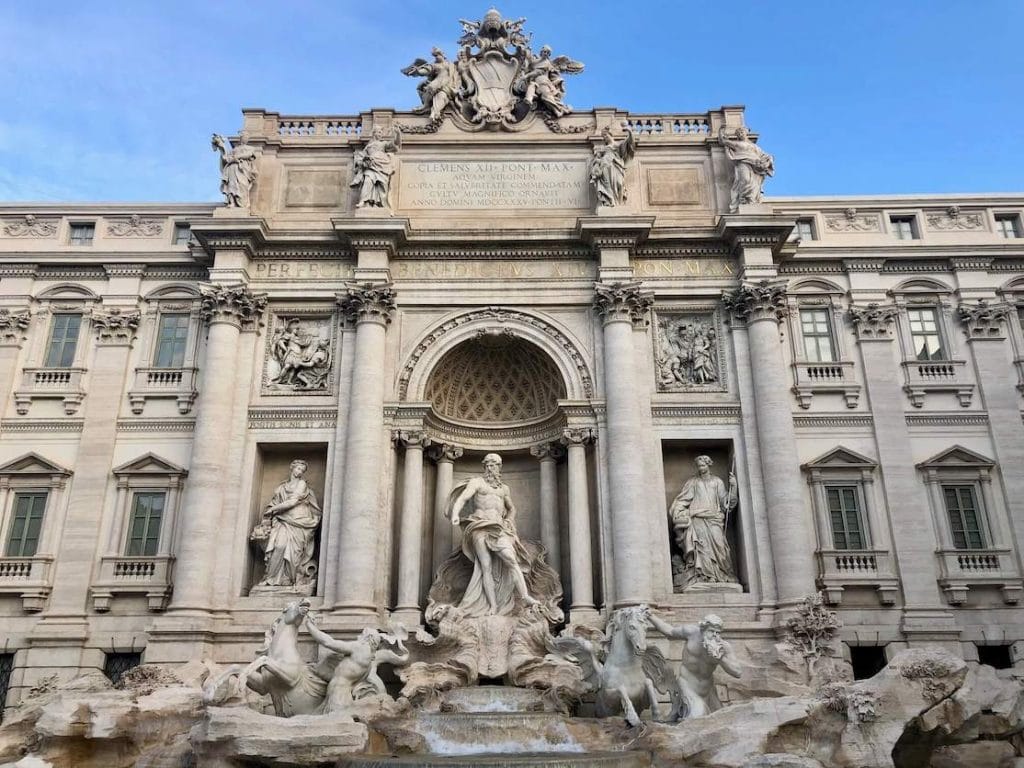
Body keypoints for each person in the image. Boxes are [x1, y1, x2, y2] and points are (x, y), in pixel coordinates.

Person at [446, 453, 539, 616]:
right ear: (484, 467)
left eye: (494, 465)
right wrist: (455, 514)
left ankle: (525, 596)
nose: (490, 468)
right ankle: (493, 606)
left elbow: (512, 508)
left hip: (498, 527)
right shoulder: (477, 483)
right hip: (479, 525)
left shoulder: (504, 489)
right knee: (485, 566)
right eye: (487, 465)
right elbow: (462, 498)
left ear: (499, 467)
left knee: (511, 559)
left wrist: (509, 520)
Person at [647, 612, 741, 718]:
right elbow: (669, 631)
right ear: (703, 629)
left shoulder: (723, 647)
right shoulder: (691, 633)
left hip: (708, 691)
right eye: (711, 631)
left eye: (718, 632)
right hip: (687, 685)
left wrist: (720, 659)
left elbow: (737, 672)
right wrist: (650, 616)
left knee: (720, 719)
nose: (715, 636)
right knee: (698, 716)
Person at [669, 455, 738, 587]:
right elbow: (683, 500)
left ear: (708, 465)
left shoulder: (717, 482)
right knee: (702, 548)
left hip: (714, 518)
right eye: (699, 466)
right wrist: (678, 512)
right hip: (698, 519)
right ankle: (705, 576)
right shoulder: (693, 482)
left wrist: (733, 488)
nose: (701, 468)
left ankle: (722, 575)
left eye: (703, 465)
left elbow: (725, 503)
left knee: (720, 547)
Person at [257, 460, 321, 588]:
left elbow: (292, 502)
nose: (300, 472)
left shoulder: (302, 484)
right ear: (292, 468)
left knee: (294, 552)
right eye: (298, 469)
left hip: (298, 521)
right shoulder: (282, 487)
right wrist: (270, 512)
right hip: (282, 520)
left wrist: (273, 510)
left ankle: (288, 579)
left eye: (302, 471)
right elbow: (274, 502)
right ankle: (271, 578)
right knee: (279, 546)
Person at [718, 125, 774, 212]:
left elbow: (765, 156)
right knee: (745, 180)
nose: (740, 134)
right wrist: (721, 131)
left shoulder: (755, 147)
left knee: (754, 185)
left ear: (746, 133)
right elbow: (723, 141)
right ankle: (744, 200)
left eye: (742, 132)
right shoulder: (737, 144)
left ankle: (751, 201)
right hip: (743, 163)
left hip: (755, 166)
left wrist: (768, 160)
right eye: (738, 133)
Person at [351, 127, 400, 208]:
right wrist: (363, 162)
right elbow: (360, 157)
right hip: (371, 166)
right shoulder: (368, 147)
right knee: (368, 181)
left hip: (382, 166)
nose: (381, 134)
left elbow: (395, 144)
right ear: (374, 133)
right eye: (379, 132)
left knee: (383, 185)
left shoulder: (383, 144)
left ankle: (381, 203)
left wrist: (397, 134)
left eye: (381, 132)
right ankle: (363, 201)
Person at [588, 127, 635, 207]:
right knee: (607, 185)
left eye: (605, 136)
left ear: (610, 135)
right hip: (605, 167)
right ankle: (610, 202)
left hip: (615, 167)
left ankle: (618, 203)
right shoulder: (603, 149)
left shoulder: (618, 144)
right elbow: (597, 159)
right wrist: (597, 161)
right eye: (603, 137)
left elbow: (629, 143)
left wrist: (629, 132)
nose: (604, 138)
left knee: (619, 183)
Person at [211, 132, 259, 209]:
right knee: (232, 185)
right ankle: (232, 202)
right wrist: (222, 147)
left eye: (246, 137)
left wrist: (237, 157)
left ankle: (241, 203)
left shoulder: (251, 148)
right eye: (243, 137)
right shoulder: (234, 149)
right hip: (233, 167)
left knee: (242, 185)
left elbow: (249, 154)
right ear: (240, 139)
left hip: (242, 169)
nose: (244, 138)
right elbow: (226, 158)